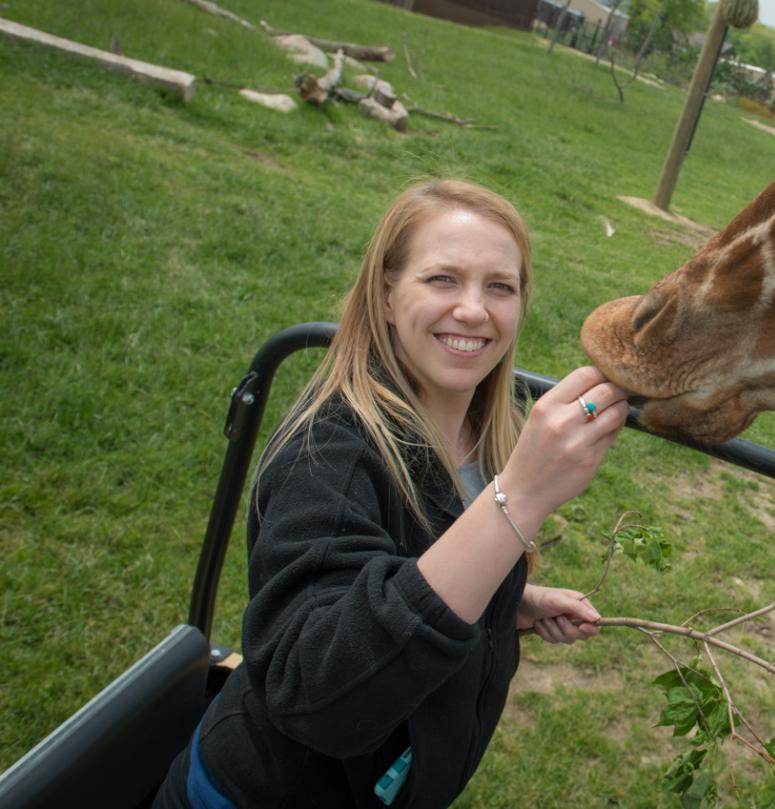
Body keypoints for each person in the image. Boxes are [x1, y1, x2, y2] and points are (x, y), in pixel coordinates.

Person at [154, 178, 628, 808]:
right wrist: (519, 498)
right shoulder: (327, 455)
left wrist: (511, 600)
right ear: (384, 296)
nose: (473, 310)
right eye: (442, 280)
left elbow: (416, 571)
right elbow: (314, 692)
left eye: (500, 287)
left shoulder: (477, 434)